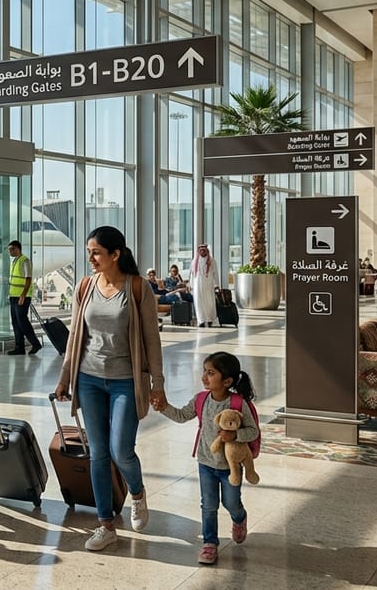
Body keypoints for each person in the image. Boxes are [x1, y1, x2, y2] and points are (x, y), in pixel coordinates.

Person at [53, 226, 166, 552]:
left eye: (96, 252)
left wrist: (157, 384)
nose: (90, 257)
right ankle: (105, 525)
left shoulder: (137, 288)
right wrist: (64, 379)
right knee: (98, 454)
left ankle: (137, 491)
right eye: (89, 251)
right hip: (88, 379)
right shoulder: (85, 286)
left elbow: (151, 341)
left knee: (121, 450)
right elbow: (75, 336)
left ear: (115, 254)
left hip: (124, 382)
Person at [154, 351, 258, 565]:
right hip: (205, 463)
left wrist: (235, 435)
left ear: (227, 381)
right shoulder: (201, 399)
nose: (204, 377)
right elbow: (183, 416)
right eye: (205, 371)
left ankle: (239, 518)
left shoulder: (238, 403)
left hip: (231, 466)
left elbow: (253, 431)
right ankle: (210, 544)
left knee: (231, 503)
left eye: (210, 373)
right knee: (208, 505)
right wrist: (163, 407)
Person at [5, 240, 43, 356]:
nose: (9, 252)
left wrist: (23, 295)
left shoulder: (25, 261)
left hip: (22, 296)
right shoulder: (14, 262)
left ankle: (35, 343)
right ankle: (19, 347)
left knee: (22, 321)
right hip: (13, 296)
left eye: (11, 249)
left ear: (17, 249)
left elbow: (28, 279)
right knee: (16, 322)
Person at [190, 244, 220, 328]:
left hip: (208, 285)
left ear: (207, 251)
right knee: (199, 303)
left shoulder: (212, 261)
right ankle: (201, 320)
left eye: (204, 250)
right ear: (198, 251)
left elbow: (215, 274)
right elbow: (192, 274)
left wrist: (216, 284)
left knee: (209, 302)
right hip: (197, 286)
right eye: (201, 250)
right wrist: (191, 285)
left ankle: (210, 320)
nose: (202, 252)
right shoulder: (194, 261)